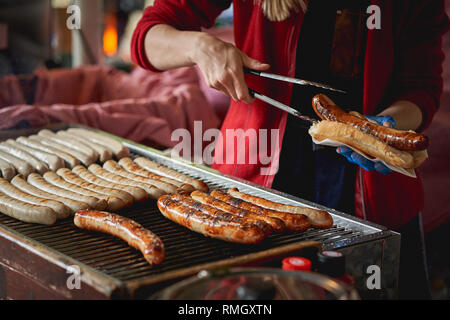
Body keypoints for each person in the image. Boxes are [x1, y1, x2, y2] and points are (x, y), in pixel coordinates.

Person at [131, 0, 449, 299]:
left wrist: (385, 126)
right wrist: (201, 47)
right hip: (254, 181)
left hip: (374, 187)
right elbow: (145, 38)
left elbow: (420, 86)